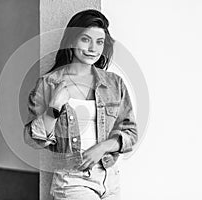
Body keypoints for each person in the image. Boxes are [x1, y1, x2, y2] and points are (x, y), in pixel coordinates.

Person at [23, 9, 138, 200]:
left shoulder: (114, 83)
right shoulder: (49, 83)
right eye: (86, 39)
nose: (93, 48)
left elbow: (130, 133)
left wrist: (102, 148)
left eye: (99, 42)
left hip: (110, 179)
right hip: (72, 180)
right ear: (71, 40)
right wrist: (54, 109)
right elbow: (31, 140)